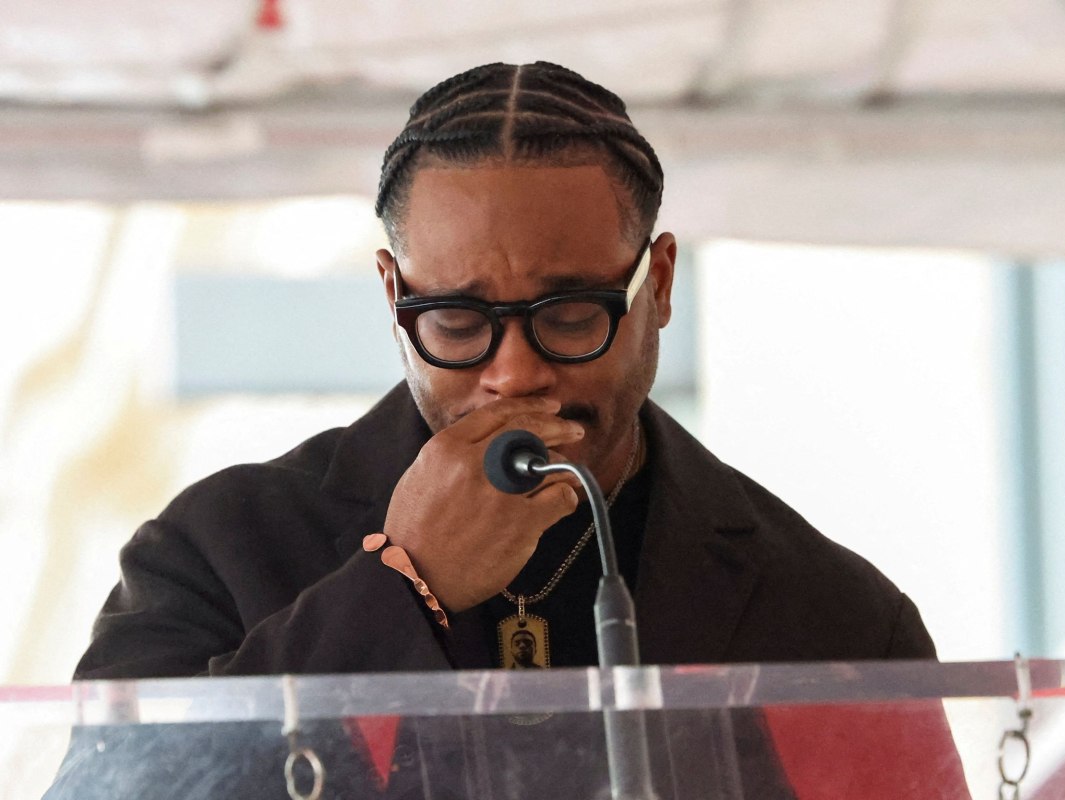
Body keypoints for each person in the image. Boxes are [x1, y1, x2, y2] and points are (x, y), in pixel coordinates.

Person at [54, 61, 966, 799]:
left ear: (659, 286)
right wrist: (401, 586)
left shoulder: (836, 618)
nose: (515, 372)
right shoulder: (217, 550)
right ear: (393, 297)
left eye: (570, 316)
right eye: (458, 322)